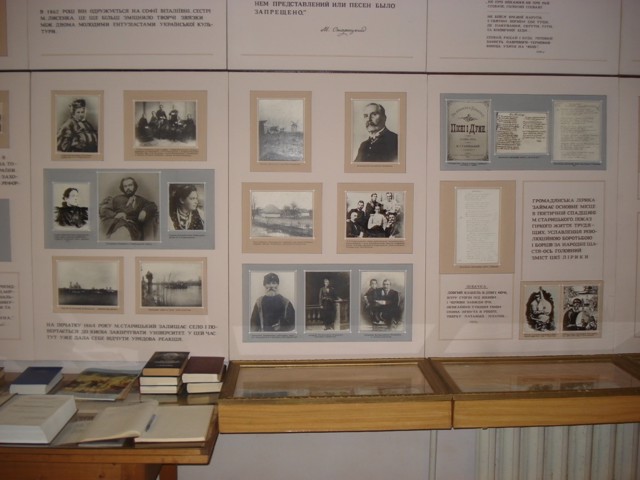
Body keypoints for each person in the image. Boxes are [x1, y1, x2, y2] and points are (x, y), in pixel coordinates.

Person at [99, 176, 158, 241]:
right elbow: (103, 209)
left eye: (130, 185)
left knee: (123, 234)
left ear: (134, 186)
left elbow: (153, 205)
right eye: (125, 186)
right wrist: (115, 215)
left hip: (132, 228)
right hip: (117, 225)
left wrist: (144, 211)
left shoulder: (141, 200)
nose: (128, 188)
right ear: (123, 188)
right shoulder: (116, 199)